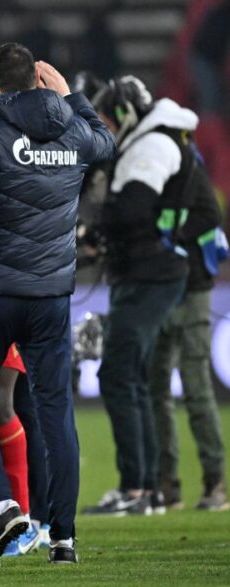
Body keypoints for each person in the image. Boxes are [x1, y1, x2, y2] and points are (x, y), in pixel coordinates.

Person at [0, 43, 115, 564]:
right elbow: (106, 145)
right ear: (39, 80)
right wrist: (74, 99)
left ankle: (1, 504)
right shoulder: (73, 127)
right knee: (55, 411)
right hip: (52, 295)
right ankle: (64, 538)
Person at [86, 77, 202, 515]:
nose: (106, 129)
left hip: (152, 273)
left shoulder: (153, 145)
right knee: (130, 376)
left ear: (123, 114)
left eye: (106, 120)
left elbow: (133, 209)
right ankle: (147, 487)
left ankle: (138, 488)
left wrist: (99, 230)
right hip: (149, 271)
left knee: (119, 374)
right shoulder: (159, 138)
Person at [148, 165, 228, 512]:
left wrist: (174, 238)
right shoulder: (154, 167)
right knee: (157, 388)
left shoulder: (187, 168)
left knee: (195, 386)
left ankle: (215, 483)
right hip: (162, 290)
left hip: (193, 289)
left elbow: (211, 214)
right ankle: (169, 486)